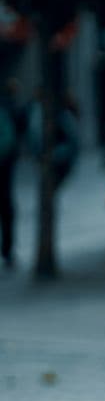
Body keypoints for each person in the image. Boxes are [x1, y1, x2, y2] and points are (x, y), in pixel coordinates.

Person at [0, 79, 19, 271]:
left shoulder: (4, 112)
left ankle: (7, 250)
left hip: (3, 170)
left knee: (6, 209)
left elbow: (7, 141)